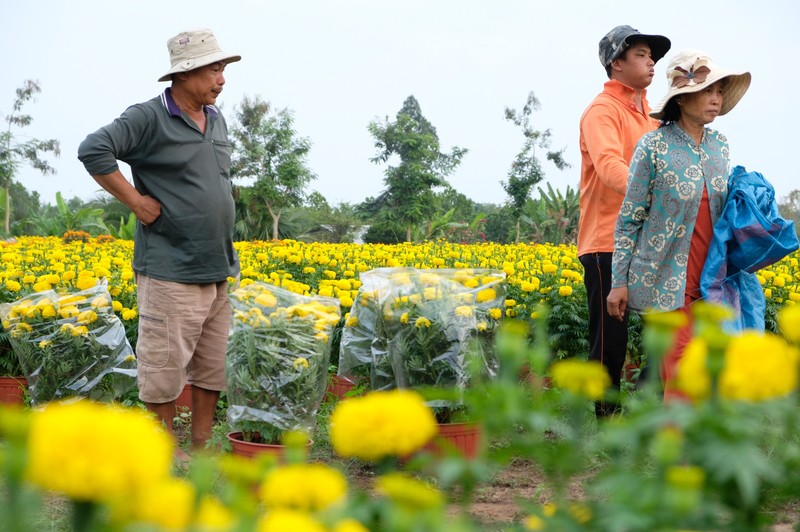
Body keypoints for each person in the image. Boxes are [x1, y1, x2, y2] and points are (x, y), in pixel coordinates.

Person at [78, 29, 242, 458]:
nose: (221, 79)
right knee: (164, 365)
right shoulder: (148, 117)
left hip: (219, 265)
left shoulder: (217, 118)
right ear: (185, 73)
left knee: (212, 365)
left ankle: (202, 446)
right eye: (214, 69)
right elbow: (94, 149)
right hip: (170, 266)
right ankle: (164, 453)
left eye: (223, 69)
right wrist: (136, 201)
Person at [606, 50, 751, 400]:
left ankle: (697, 448)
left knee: (709, 374)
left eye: (719, 91)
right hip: (663, 282)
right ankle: (680, 453)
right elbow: (630, 219)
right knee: (682, 375)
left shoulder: (720, 146)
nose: (715, 98)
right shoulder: (653, 146)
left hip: (712, 282)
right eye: (707, 91)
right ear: (682, 99)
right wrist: (618, 282)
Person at [577, 25, 670, 416]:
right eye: (641, 54)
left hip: (647, 243)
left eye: (652, 56)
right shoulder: (603, 110)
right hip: (606, 243)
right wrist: (647, 196)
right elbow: (610, 164)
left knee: (662, 334)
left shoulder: (652, 118)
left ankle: (645, 411)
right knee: (610, 339)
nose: (650, 62)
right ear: (617, 63)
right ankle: (605, 420)